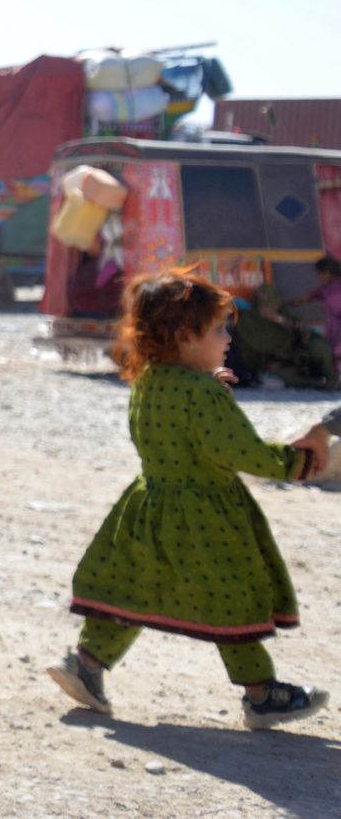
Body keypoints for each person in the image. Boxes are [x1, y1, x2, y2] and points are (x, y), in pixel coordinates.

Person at [48, 269, 327, 729]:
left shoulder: (148, 382)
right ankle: (262, 696)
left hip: (149, 505)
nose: (228, 338)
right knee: (231, 601)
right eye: (219, 328)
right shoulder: (202, 392)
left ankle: (86, 664)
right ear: (184, 337)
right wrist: (293, 463)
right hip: (208, 518)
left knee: (133, 590)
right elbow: (241, 451)